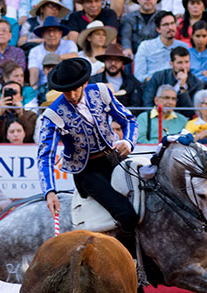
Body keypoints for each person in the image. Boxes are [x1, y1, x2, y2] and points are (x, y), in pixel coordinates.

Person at [37, 58, 139, 271]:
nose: (72, 96)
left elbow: (129, 120)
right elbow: (45, 155)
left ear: (84, 83)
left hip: (115, 159)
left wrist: (128, 141)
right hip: (86, 171)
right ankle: (130, 270)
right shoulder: (54, 114)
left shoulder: (101, 91)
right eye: (66, 92)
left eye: (74, 89)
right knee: (126, 214)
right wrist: (49, 191)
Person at [142, 46, 202, 119]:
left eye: (186, 62)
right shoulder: (158, 77)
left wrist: (182, 87)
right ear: (171, 64)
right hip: (159, 118)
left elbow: (190, 112)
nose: (184, 67)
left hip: (183, 121)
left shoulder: (197, 83)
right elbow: (147, 103)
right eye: (179, 63)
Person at [134, 11, 189, 83]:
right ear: (158, 29)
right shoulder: (145, 46)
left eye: (172, 23)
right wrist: (155, 83)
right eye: (166, 25)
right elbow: (139, 75)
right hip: (152, 87)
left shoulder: (184, 46)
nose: (170, 27)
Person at [89, 43, 143, 113]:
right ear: (104, 61)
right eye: (109, 59)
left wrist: (120, 120)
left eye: (117, 60)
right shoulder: (93, 81)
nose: (113, 63)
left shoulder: (132, 82)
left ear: (122, 62)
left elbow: (135, 107)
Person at [27, 16, 78, 89]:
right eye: (48, 31)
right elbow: (34, 74)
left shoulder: (69, 44)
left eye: (55, 31)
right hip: (44, 87)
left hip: (65, 85)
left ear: (60, 33)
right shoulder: (35, 51)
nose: (51, 34)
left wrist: (54, 58)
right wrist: (34, 89)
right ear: (43, 34)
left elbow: (75, 56)